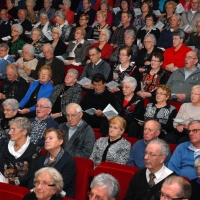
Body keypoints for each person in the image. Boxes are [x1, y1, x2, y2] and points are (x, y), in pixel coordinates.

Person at [29, 128, 76, 198]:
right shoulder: (41, 159)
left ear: (60, 141)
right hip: (40, 192)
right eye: (46, 138)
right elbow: (32, 179)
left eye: (50, 138)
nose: (47, 141)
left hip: (58, 195)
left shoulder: (68, 160)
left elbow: (62, 185)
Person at [0, 117, 40, 186]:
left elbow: (30, 175)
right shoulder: (7, 146)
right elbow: (1, 166)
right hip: (3, 183)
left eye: (13, 130)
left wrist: (11, 182)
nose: (9, 132)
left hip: (22, 187)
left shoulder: (34, 149)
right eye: (10, 129)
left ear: (24, 131)